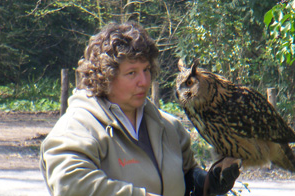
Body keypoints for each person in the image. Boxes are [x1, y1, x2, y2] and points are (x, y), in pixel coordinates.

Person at [40, 22, 240, 196]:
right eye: (131, 73)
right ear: (105, 76)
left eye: (146, 70)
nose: (143, 81)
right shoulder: (77, 127)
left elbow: (186, 181)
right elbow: (70, 186)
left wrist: (206, 183)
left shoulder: (170, 128)